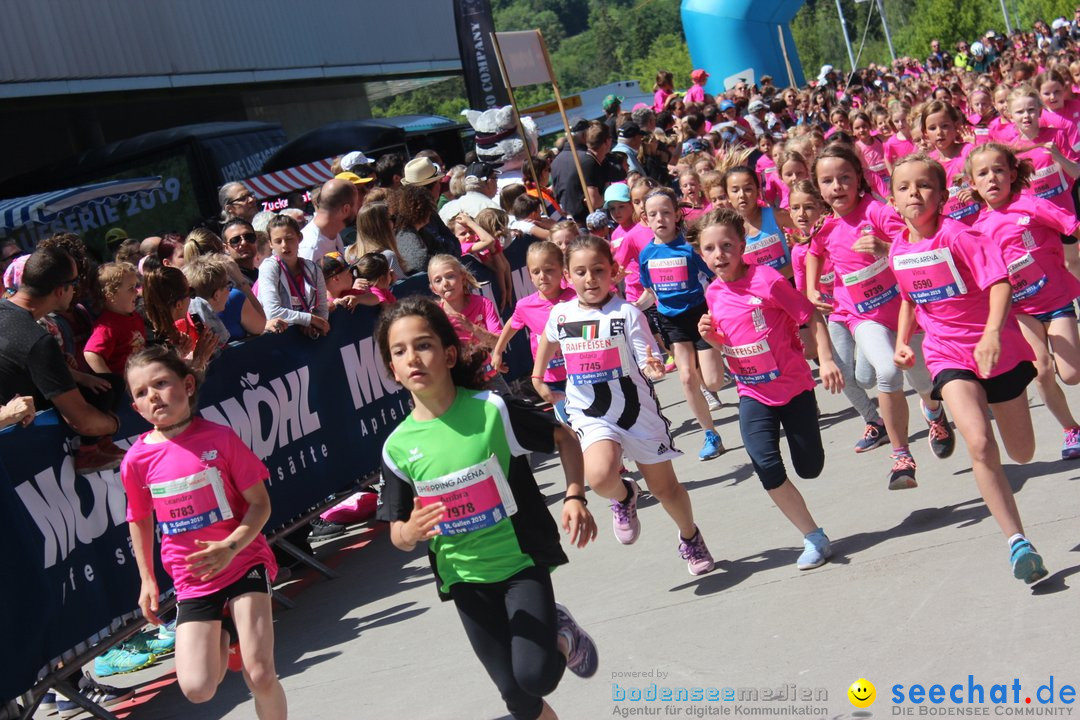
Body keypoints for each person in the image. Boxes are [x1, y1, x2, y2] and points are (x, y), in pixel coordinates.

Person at [376, 296, 599, 720]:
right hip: (464, 577)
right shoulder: (396, 448)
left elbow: (564, 437)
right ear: (392, 371)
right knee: (517, 698)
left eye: (423, 345)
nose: (412, 359)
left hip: (519, 563)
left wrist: (574, 495)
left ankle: (561, 632)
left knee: (536, 677)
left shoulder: (490, 409)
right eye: (399, 352)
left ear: (449, 353)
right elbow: (398, 533)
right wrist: (412, 531)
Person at [888, 154, 1047, 585]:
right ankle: (1018, 542)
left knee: (1022, 452)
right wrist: (904, 342)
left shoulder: (960, 236)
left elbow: (999, 282)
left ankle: (1007, 411)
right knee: (979, 442)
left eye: (924, 185)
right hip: (946, 355)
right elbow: (909, 298)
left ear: (941, 195)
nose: (914, 194)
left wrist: (993, 333)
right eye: (904, 187)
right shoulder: (900, 248)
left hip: (996, 349)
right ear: (893, 198)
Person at [532, 235, 716, 575]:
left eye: (598, 270)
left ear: (614, 271)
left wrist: (653, 366)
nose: (590, 279)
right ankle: (624, 495)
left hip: (636, 413)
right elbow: (547, 340)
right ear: (567, 277)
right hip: (592, 413)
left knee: (666, 489)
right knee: (599, 477)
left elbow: (647, 355)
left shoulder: (627, 313)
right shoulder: (561, 313)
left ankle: (690, 537)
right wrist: (537, 377)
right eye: (581, 271)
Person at [121, 346, 288, 717]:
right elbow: (139, 517)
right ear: (135, 408)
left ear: (188, 384)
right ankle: (225, 632)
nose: (153, 396)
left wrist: (230, 546)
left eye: (161, 383)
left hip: (243, 559)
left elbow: (260, 505)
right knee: (197, 688)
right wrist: (147, 579)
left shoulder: (220, 439)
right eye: (141, 392)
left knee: (260, 674)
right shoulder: (136, 460)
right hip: (193, 576)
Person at [696, 208, 845, 570]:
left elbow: (811, 315)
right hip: (752, 393)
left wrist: (825, 360)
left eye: (727, 245)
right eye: (710, 249)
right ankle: (813, 536)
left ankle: (812, 519)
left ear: (743, 245)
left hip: (793, 388)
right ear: (701, 254)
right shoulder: (713, 293)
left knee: (809, 467)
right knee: (765, 464)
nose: (720, 255)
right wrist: (711, 339)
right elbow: (732, 344)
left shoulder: (768, 281)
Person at [806, 144, 955, 485]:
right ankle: (902, 456)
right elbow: (813, 252)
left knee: (923, 383)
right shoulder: (825, 226)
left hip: (905, 309)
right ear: (818, 187)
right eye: (827, 181)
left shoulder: (877, 212)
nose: (837, 186)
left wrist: (885, 248)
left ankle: (933, 412)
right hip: (863, 315)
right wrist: (813, 288)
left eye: (844, 178)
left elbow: (913, 247)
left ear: (859, 178)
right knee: (888, 373)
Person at [968, 143, 1080, 459]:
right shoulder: (976, 229)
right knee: (1041, 370)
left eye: (999, 170)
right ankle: (1071, 429)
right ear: (973, 184)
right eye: (983, 174)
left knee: (1071, 375)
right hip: (1019, 310)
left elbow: (1072, 226)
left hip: (1056, 300)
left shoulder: (1030, 205)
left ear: (1013, 173)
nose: (992, 178)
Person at [0, 245, 123, 472]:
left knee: (106, 385)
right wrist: (114, 424)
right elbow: (82, 421)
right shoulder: (36, 340)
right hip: (14, 450)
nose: (76, 292)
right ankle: (89, 452)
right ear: (60, 290)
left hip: (14, 425)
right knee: (106, 390)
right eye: (74, 285)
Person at [638, 188, 728, 460]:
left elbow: (715, 277)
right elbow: (649, 292)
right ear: (645, 219)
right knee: (687, 377)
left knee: (713, 382)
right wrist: (630, 308)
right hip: (671, 321)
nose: (660, 218)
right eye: (653, 214)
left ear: (677, 214)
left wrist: (722, 307)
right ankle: (711, 434)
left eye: (666, 212)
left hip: (700, 314)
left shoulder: (690, 247)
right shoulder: (646, 255)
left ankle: (723, 367)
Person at [491, 241, 576, 419]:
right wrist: (498, 351)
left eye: (549, 270)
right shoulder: (525, 306)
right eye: (536, 272)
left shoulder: (575, 298)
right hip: (550, 379)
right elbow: (511, 325)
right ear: (529, 275)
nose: (542, 276)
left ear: (562, 270)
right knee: (570, 426)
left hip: (579, 373)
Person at [428, 254, 505, 390]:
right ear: (433, 288)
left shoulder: (483, 303)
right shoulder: (435, 316)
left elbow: (499, 343)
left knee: (506, 409)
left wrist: (472, 327)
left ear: (463, 278)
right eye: (438, 280)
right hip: (458, 385)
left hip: (489, 377)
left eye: (450, 276)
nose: (445, 283)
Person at [257, 215, 329, 338]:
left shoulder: (314, 269)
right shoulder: (269, 267)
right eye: (278, 241)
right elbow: (273, 312)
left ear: (299, 238)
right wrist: (309, 319)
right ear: (270, 244)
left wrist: (313, 327)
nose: (284, 245)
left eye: (289, 238)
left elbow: (321, 310)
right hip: (277, 341)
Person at [723, 166, 795, 279]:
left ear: (758, 191)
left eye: (748, 189)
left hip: (790, 284)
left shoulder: (776, 215)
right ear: (727, 196)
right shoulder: (729, 231)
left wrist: (798, 243)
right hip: (759, 293)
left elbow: (809, 227)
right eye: (735, 190)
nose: (742, 195)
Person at [920, 100, 980, 224]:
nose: (939, 132)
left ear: (956, 126)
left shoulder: (970, 152)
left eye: (945, 126)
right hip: (950, 229)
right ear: (925, 133)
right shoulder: (927, 165)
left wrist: (978, 195)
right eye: (932, 128)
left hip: (979, 222)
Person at [299, 178, 358, 264]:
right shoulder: (311, 248)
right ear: (346, 209)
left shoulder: (332, 231)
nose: (357, 210)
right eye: (356, 206)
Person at [222, 219, 261, 285]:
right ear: (226, 248)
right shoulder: (227, 283)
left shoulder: (263, 274)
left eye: (249, 237)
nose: (244, 243)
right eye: (235, 240)